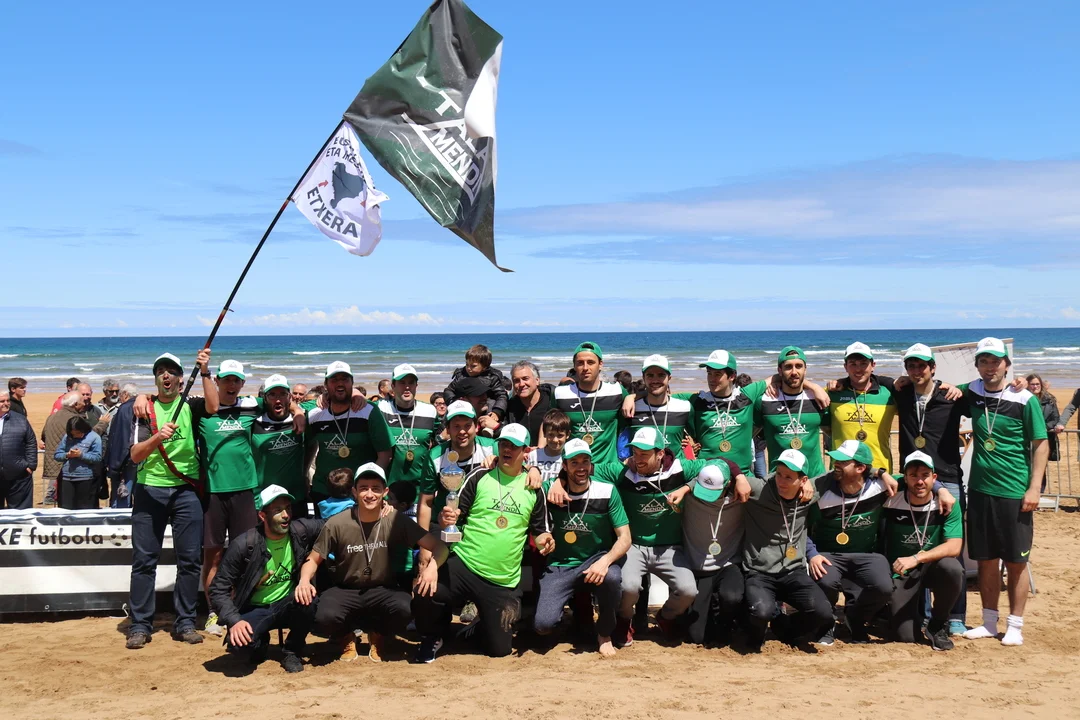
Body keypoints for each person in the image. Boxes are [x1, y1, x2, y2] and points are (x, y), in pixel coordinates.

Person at [570, 427, 728, 647]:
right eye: (635, 453)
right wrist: (559, 481)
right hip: (634, 546)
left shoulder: (680, 468)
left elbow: (720, 464)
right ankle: (624, 620)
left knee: (688, 591)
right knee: (628, 587)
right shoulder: (622, 471)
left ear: (660, 453)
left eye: (644, 454)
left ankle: (666, 617)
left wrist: (687, 487)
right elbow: (583, 470)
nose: (638, 459)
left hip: (670, 547)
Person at [414, 424, 553, 660]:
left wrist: (546, 541)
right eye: (503, 444)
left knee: (500, 650)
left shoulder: (534, 488)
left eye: (514, 446)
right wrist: (446, 520)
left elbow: (541, 532)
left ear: (525, 451)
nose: (507, 449)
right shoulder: (479, 476)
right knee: (426, 588)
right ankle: (433, 636)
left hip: (502, 579)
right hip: (465, 563)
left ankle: (480, 627)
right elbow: (455, 519)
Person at [296, 463, 449, 663]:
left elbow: (440, 547)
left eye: (376, 488)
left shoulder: (396, 520)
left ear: (385, 492)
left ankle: (379, 635)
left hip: (383, 588)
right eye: (364, 488)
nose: (369, 494)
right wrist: (304, 580)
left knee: (405, 609)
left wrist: (432, 568)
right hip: (346, 589)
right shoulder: (337, 523)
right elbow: (313, 559)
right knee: (322, 616)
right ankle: (346, 636)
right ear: (354, 492)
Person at [960, 337, 1048, 647]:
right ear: (977, 365)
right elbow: (935, 388)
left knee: (1015, 562)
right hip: (980, 490)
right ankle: (988, 622)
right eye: (984, 361)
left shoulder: (1024, 398)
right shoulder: (972, 390)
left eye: (995, 361)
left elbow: (1041, 444)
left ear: (1007, 365)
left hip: (1014, 491)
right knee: (986, 560)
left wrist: (1034, 488)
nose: (990, 367)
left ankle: (1015, 625)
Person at [125, 350, 216, 650]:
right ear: (155, 379)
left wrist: (205, 370)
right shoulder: (144, 409)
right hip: (149, 491)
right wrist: (157, 437)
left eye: (172, 371)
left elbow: (214, 406)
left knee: (189, 561)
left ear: (180, 378)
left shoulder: (190, 404)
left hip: (185, 492)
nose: (166, 375)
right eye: (160, 371)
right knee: (144, 561)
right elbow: (135, 455)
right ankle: (140, 625)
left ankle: (185, 622)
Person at [893, 343, 969, 634]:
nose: (917, 370)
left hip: (947, 478)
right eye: (911, 366)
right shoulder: (901, 393)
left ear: (933, 368)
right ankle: (923, 614)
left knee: (951, 551)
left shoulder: (950, 396)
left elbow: (985, 394)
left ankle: (955, 616)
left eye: (922, 365)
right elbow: (868, 381)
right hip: (915, 477)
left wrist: (1019, 383)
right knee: (918, 544)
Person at [208, 485, 323, 673]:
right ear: (262, 516)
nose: (286, 515)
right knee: (238, 647)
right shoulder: (244, 545)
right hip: (255, 608)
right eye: (278, 510)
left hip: (288, 603)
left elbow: (333, 524)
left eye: (288, 508)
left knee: (309, 599)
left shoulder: (300, 530)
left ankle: (292, 651)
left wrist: (375, 509)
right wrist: (234, 620)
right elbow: (218, 589)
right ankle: (260, 642)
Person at [534, 439, 632, 657]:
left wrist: (605, 562)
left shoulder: (607, 491)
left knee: (612, 578)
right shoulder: (550, 490)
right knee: (543, 625)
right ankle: (567, 622)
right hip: (561, 564)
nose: (581, 467)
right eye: (574, 462)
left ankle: (604, 633)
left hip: (596, 559)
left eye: (585, 461)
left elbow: (625, 538)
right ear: (564, 466)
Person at [742, 449, 832, 652]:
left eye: (789, 477)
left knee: (823, 613)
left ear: (803, 480)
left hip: (793, 571)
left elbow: (841, 471)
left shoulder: (810, 492)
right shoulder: (760, 489)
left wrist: (878, 473)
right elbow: (720, 468)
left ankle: (785, 628)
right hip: (759, 572)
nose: (781, 481)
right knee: (760, 612)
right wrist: (738, 477)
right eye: (779, 474)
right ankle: (754, 634)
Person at [806, 440, 894, 644]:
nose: (835, 464)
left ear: (861, 468)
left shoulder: (881, 487)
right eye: (835, 460)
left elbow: (917, 481)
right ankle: (826, 623)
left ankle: (855, 619)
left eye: (842, 462)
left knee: (883, 586)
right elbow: (801, 527)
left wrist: (940, 489)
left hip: (867, 555)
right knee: (824, 579)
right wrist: (812, 554)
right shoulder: (821, 490)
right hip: (828, 555)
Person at [883, 452, 964, 651]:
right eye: (913, 475)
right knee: (905, 636)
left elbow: (954, 546)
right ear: (904, 478)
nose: (919, 481)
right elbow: (864, 474)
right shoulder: (891, 496)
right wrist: (880, 472)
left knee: (952, 568)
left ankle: (937, 624)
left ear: (934, 478)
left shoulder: (948, 503)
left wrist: (917, 558)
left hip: (931, 567)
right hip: (901, 570)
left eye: (925, 475)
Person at [680, 449, 749, 646]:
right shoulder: (690, 493)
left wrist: (741, 477)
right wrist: (686, 487)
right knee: (696, 637)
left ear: (728, 484)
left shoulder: (741, 494)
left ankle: (729, 621)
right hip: (697, 568)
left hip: (728, 565)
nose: (706, 496)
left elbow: (774, 484)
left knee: (732, 597)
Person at [305, 361, 391, 512]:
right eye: (334, 380)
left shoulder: (369, 411)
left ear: (352, 383)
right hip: (323, 491)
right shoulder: (315, 413)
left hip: (358, 494)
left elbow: (385, 455)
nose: (340, 383)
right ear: (326, 385)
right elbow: (308, 444)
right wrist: (304, 476)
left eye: (345, 379)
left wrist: (369, 488)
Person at [416, 400, 496, 533]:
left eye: (467, 425)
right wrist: (423, 540)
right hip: (443, 524)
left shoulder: (492, 448)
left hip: (482, 525)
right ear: (448, 429)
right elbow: (425, 503)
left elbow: (520, 466)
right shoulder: (435, 456)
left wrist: (531, 469)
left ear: (476, 427)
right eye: (456, 426)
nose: (462, 431)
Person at [755, 347, 830, 478]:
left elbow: (832, 431)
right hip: (780, 481)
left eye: (799, 366)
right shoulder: (765, 400)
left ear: (805, 369)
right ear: (780, 370)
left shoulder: (818, 398)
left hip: (815, 479)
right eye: (788, 367)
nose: (794, 372)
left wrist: (815, 386)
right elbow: (747, 435)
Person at [826, 342, 898, 472]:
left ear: (873, 365)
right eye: (853, 364)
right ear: (845, 367)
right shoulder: (832, 393)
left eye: (863, 363)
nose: (858, 369)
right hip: (843, 470)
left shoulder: (889, 395)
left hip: (880, 471)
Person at [552, 341, 628, 464]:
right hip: (574, 467)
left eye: (591, 362)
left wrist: (631, 397)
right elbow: (550, 425)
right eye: (580, 363)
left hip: (607, 467)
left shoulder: (616, 391)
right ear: (574, 366)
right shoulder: (560, 394)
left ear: (600, 364)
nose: (585, 368)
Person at [251, 374, 307, 518]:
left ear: (290, 397)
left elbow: (326, 398)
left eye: (282, 394)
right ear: (264, 399)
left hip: (295, 497)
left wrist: (298, 411)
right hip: (263, 499)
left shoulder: (302, 418)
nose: (278, 399)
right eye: (272, 395)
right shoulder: (253, 422)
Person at [621, 355, 692, 458]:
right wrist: (630, 397)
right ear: (643, 378)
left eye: (661, 375)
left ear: (669, 378)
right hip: (642, 467)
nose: (655, 380)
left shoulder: (685, 407)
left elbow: (698, 436)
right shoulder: (632, 408)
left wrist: (691, 444)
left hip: (677, 467)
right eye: (650, 375)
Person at [444, 344, 509, 429]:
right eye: (467, 364)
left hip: (485, 409)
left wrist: (497, 411)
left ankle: (487, 429)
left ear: (484, 366)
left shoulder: (492, 377)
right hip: (464, 407)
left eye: (473, 366)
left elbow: (502, 395)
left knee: (491, 402)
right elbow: (449, 390)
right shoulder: (461, 375)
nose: (469, 368)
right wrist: (453, 402)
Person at [41, 391, 82, 506]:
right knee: (70, 501)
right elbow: (88, 437)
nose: (84, 403)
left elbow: (44, 436)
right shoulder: (74, 418)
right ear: (75, 404)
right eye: (81, 401)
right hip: (69, 465)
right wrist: (102, 424)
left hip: (54, 462)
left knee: (62, 500)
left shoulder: (52, 417)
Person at [53, 416, 102, 510]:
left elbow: (97, 457)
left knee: (84, 510)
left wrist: (81, 455)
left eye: (78, 433)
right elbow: (57, 454)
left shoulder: (94, 437)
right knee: (66, 509)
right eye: (73, 434)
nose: (76, 436)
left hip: (86, 478)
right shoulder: (67, 437)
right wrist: (67, 455)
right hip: (67, 477)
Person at [0, 391, 37, 508]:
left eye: (7, 401)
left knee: (21, 513)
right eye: (2, 401)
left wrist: (30, 465)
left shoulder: (20, 420)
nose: (6, 403)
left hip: (19, 475)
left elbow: (31, 441)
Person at [105, 388, 138, 509]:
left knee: (122, 496)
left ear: (125, 394)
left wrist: (116, 464)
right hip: (140, 455)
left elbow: (121, 437)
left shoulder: (125, 408)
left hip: (126, 458)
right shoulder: (140, 405)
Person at [506, 360, 555, 442]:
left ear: (537, 380)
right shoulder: (510, 406)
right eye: (516, 380)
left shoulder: (552, 402)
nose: (521, 384)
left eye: (525, 378)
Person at [1026, 374, 1059, 491]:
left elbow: (1055, 419)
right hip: (1025, 440)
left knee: (1040, 468)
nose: (1035, 387)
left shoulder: (1049, 400)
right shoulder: (1022, 399)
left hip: (1043, 440)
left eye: (1037, 384)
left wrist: (1043, 428)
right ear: (1027, 385)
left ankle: (1039, 493)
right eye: (1032, 384)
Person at [526, 409, 570, 482]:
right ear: (544, 433)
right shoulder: (533, 455)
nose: (555, 440)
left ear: (568, 434)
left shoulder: (569, 457)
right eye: (551, 435)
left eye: (560, 435)